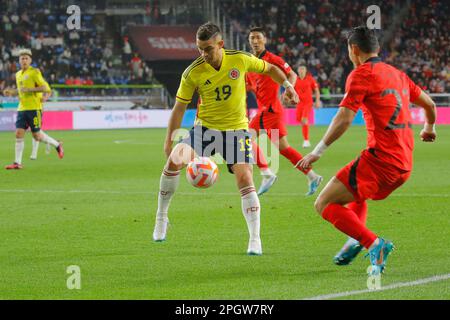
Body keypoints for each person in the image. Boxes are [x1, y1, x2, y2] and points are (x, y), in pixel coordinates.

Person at [298, 27, 437, 276]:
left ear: (354, 50)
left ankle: (374, 244)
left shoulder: (361, 74)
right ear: (378, 49)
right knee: (354, 194)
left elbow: (344, 117)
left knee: (324, 203)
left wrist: (317, 152)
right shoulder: (398, 75)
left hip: (381, 162)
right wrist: (429, 128)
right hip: (403, 165)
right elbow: (430, 103)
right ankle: (355, 240)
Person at [152, 22, 299, 255]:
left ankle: (255, 239)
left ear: (220, 44)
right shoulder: (193, 72)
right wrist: (169, 141)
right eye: (199, 49)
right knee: (172, 162)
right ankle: (161, 218)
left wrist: (288, 86)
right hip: (205, 130)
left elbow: (270, 69)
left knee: (245, 177)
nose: (203, 54)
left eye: (208, 49)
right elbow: (179, 108)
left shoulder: (239, 59)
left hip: (236, 131)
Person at [246, 27, 322, 196]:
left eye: (258, 37)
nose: (255, 41)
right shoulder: (250, 63)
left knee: (245, 139)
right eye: (252, 38)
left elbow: (292, 74)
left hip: (271, 110)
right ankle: (312, 176)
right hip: (264, 111)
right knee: (283, 148)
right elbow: (251, 85)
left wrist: (290, 90)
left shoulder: (273, 59)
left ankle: (267, 174)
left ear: (264, 40)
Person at [3, 49, 64, 170]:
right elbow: (21, 91)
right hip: (22, 108)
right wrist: (12, 92)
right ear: (19, 60)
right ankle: (17, 163)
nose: (24, 60)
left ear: (30, 60)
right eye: (22, 58)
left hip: (34, 108)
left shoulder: (35, 72)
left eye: (26, 58)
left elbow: (45, 88)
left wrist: (31, 90)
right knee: (18, 133)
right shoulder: (18, 74)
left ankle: (57, 145)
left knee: (36, 136)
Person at [294, 65, 321, 148]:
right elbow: (291, 91)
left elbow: (316, 90)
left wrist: (317, 100)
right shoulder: (295, 80)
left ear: (305, 71)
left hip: (308, 103)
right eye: (300, 69)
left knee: (304, 119)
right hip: (299, 104)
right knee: (300, 120)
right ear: (298, 71)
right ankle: (306, 139)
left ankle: (306, 141)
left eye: (303, 69)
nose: (301, 71)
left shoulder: (310, 79)